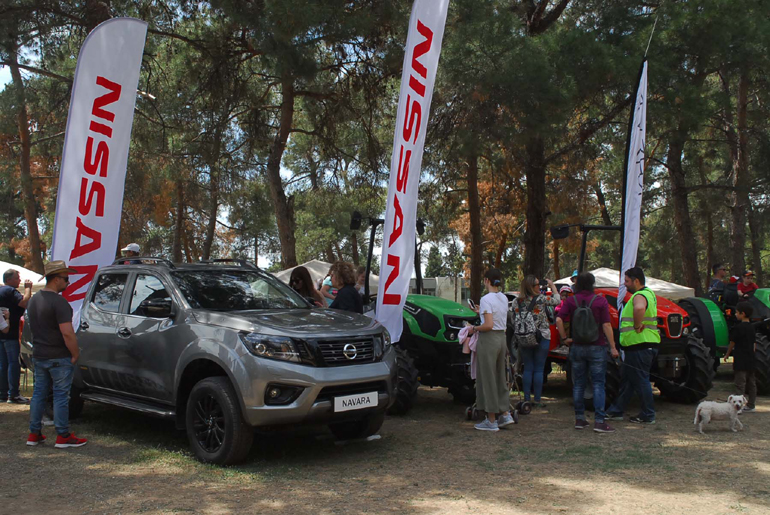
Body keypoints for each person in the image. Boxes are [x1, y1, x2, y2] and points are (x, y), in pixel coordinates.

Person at [26, 260, 88, 448]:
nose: (68, 283)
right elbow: (67, 332)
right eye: (66, 279)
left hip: (39, 354)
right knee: (61, 396)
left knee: (39, 394)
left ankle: (34, 434)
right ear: (55, 280)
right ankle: (63, 435)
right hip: (58, 356)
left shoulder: (34, 299)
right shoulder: (60, 303)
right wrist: (75, 353)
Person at [556, 272, 619, 433]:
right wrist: (612, 347)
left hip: (577, 347)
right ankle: (599, 421)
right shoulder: (600, 301)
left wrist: (564, 338)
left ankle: (579, 419)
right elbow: (606, 325)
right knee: (598, 384)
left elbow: (558, 319)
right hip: (597, 346)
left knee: (579, 384)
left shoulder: (571, 301)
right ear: (592, 284)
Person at [605, 267, 660, 424]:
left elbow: (639, 308)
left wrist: (637, 325)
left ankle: (648, 414)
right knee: (628, 379)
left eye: (627, 281)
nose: (625, 284)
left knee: (641, 380)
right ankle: (617, 410)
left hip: (640, 346)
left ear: (637, 281)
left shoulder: (640, 295)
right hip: (640, 345)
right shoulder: (648, 294)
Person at [467, 269, 514, 431]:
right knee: (500, 377)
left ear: (486, 280)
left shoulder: (486, 299)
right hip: (501, 338)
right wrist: (481, 311)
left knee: (487, 378)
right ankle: (505, 413)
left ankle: (491, 419)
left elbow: (488, 325)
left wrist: (473, 328)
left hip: (489, 340)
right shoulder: (503, 297)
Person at [515, 275, 560, 409]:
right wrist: (552, 286)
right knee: (539, 369)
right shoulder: (540, 299)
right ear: (531, 287)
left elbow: (513, 316)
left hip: (524, 336)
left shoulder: (517, 301)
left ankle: (527, 398)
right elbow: (557, 301)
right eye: (536, 285)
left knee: (528, 368)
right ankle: (538, 399)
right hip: (542, 336)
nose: (539, 287)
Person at [0, 269, 33, 404]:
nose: (19, 280)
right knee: (13, 363)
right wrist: (27, 289)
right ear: (8, 280)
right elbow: (24, 303)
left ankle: (3, 393)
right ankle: (13, 394)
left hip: (1, 332)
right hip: (11, 334)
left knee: (3, 364)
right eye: (17, 278)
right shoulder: (10, 291)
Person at [723, 301, 756, 413]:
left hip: (741, 359)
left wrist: (727, 354)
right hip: (751, 359)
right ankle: (751, 404)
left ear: (742, 313)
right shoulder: (752, 327)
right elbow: (754, 344)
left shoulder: (738, 328)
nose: (735, 314)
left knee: (740, 384)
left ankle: (738, 407)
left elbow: (732, 343)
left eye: (737, 313)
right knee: (751, 383)